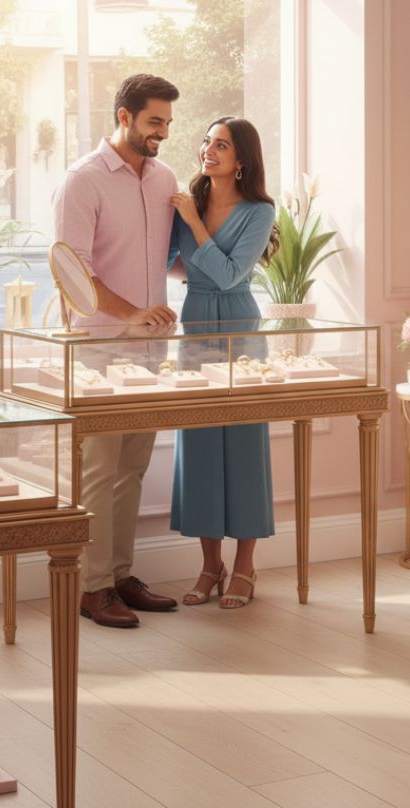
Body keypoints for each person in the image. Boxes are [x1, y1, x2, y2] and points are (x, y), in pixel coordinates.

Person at [52, 72, 181, 629]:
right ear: (124, 116)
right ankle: (92, 586)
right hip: (99, 350)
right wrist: (130, 313)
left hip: (151, 350)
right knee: (99, 471)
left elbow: (167, 258)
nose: (163, 133)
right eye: (154, 121)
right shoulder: (82, 181)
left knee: (132, 468)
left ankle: (121, 577)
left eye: (168, 123)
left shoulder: (165, 177)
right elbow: (72, 273)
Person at [169, 117, 277, 609]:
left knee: (245, 446)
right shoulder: (188, 201)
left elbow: (232, 276)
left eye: (222, 145)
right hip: (194, 325)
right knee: (199, 447)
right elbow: (176, 265)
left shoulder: (259, 212)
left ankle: (245, 567)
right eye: (206, 142)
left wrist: (194, 223)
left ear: (242, 160)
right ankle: (210, 566)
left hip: (239, 328)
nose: (208, 150)